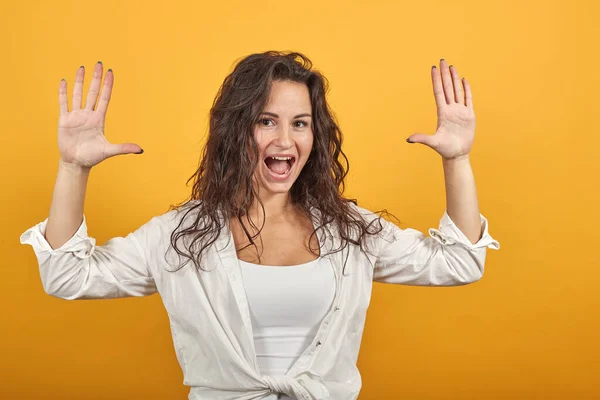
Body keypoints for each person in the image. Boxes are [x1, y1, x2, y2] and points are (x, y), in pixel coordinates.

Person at [20, 51, 500, 400]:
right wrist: (73, 168)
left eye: (300, 123)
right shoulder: (179, 236)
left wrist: (457, 159)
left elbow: (460, 262)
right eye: (266, 121)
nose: (286, 138)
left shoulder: (349, 232)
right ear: (236, 132)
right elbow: (67, 276)